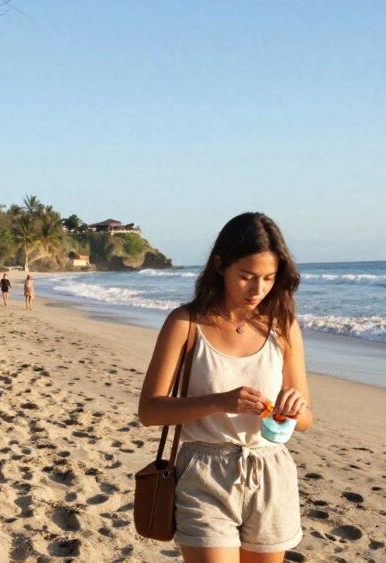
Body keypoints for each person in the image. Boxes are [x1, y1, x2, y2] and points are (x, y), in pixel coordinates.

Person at [138, 212, 312, 561]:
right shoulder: (185, 323)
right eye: (246, 277)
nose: (258, 289)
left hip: (269, 471)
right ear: (220, 265)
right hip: (204, 473)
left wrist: (291, 411)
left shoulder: (283, 326)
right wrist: (220, 401)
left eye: (268, 278)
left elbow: (305, 418)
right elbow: (150, 410)